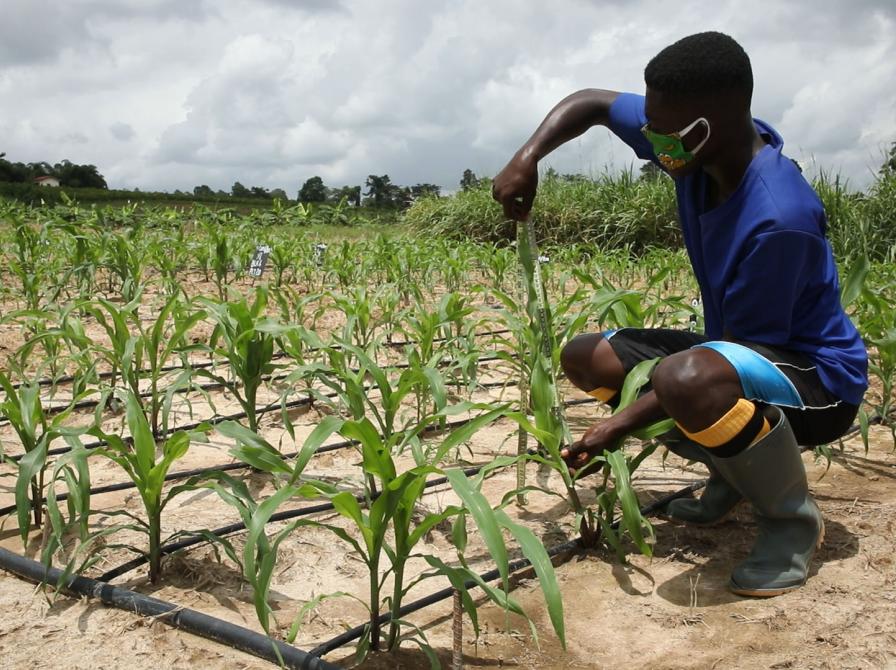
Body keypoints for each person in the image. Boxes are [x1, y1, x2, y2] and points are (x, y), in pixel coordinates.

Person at [491, 31, 867, 597]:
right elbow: (592, 103)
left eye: (662, 132)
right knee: (589, 358)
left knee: (688, 381)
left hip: (820, 383)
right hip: (739, 357)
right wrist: (527, 157)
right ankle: (732, 475)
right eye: (650, 125)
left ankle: (790, 522)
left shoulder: (778, 218)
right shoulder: (695, 154)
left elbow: (737, 355)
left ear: (707, 127)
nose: (651, 140)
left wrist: (617, 426)